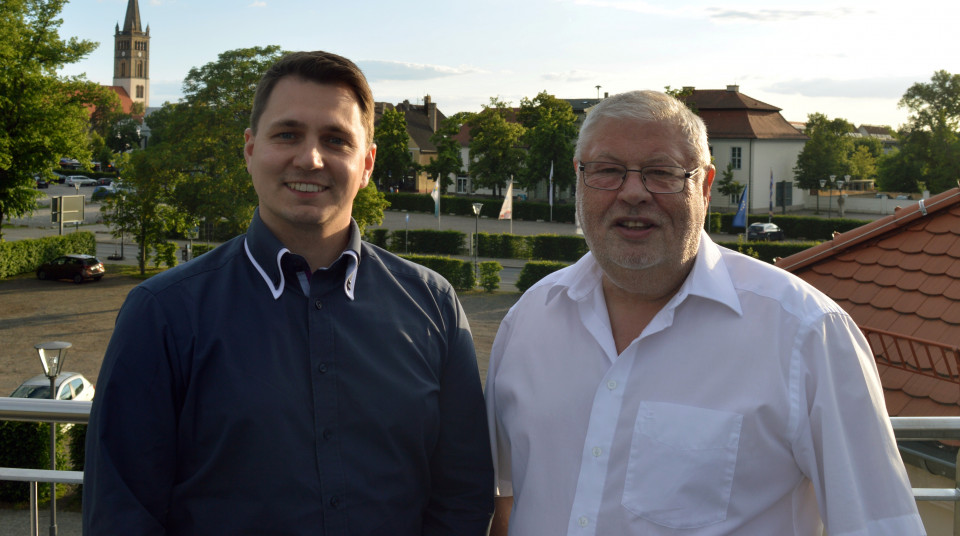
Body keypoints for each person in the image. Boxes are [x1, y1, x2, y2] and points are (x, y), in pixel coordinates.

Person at [83, 51, 494, 535]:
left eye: (336, 140)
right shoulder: (162, 314)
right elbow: (122, 512)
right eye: (287, 134)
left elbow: (462, 494)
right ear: (250, 150)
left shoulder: (433, 306)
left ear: (366, 163)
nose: (310, 158)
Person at [485, 90, 925, 535]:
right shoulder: (527, 324)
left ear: (706, 186)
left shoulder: (806, 335)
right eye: (607, 171)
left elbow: (880, 525)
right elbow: (504, 505)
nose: (633, 192)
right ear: (581, 180)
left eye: (662, 172)